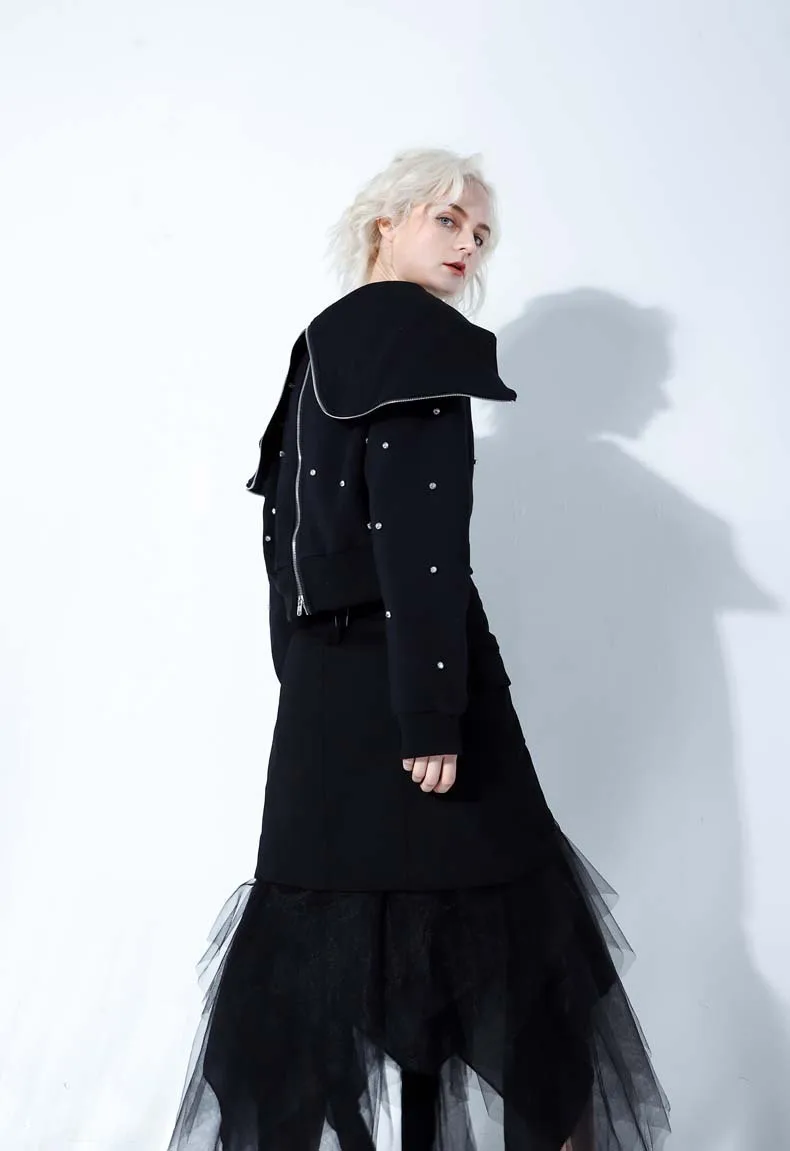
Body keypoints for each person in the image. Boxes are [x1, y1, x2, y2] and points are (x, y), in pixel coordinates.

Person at [165, 148, 671, 1151]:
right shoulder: (418, 341)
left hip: (330, 694)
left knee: (320, 958)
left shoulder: (324, 340)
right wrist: (432, 710)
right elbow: (421, 541)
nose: (468, 243)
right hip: (413, 688)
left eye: (480, 233)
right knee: (510, 955)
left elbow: (289, 538)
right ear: (384, 223)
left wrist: (307, 678)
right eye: (448, 219)